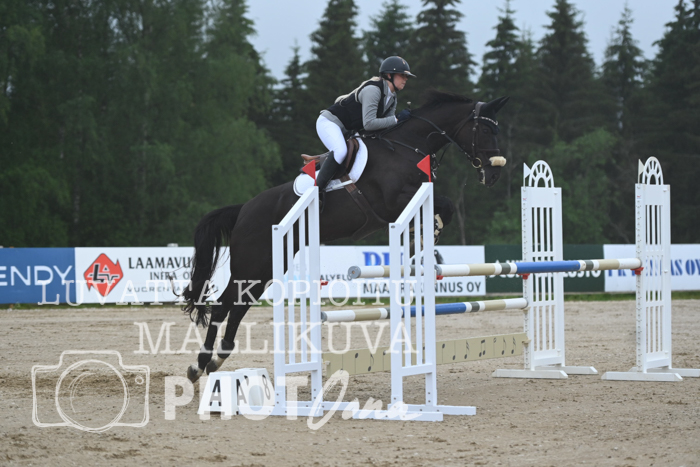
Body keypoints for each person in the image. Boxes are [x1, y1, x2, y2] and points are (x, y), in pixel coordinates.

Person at [313, 56, 416, 192]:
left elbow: (386, 126)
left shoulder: (392, 98)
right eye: (402, 75)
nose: (406, 79)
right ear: (389, 75)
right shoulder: (373, 90)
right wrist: (397, 119)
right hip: (330, 123)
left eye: (406, 76)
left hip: (347, 130)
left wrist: (403, 123)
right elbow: (369, 124)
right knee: (341, 151)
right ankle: (317, 191)